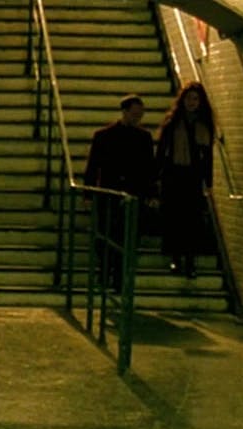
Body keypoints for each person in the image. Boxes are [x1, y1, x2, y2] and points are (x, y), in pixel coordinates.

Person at [82, 95, 156, 290]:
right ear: (124, 112)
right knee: (108, 236)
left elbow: (149, 169)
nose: (137, 118)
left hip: (130, 194)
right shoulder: (105, 136)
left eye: (140, 115)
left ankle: (116, 276)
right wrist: (88, 193)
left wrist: (151, 193)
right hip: (110, 193)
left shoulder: (142, 138)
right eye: (134, 114)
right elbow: (93, 166)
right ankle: (108, 273)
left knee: (124, 238)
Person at [155, 81, 217, 279]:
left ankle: (189, 261)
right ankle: (175, 258)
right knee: (174, 217)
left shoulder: (204, 125)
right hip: (174, 174)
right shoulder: (173, 123)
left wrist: (208, 183)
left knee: (191, 220)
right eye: (189, 98)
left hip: (193, 176)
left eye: (195, 99)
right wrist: (156, 176)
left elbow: (208, 157)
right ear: (182, 101)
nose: (192, 103)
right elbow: (162, 151)